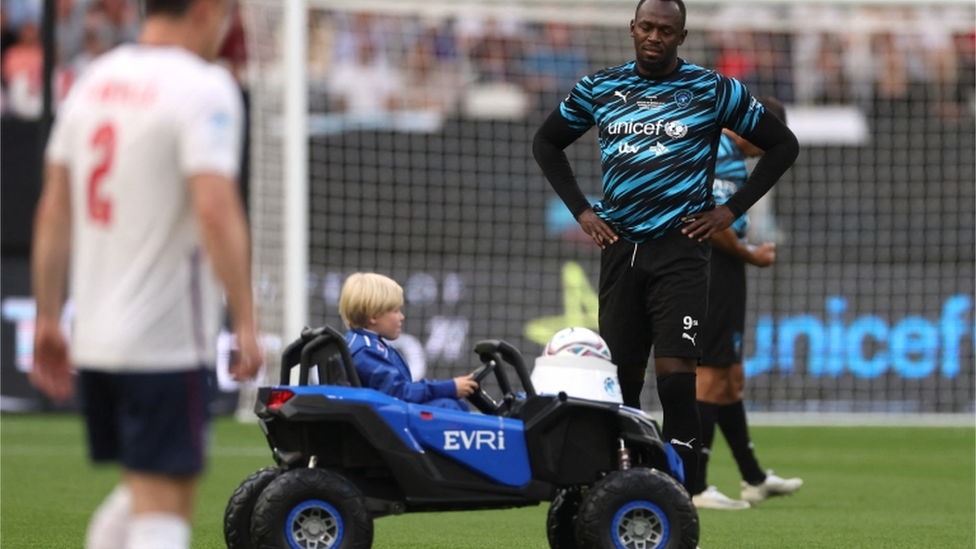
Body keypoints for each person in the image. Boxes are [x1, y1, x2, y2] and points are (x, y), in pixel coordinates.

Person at [532, 0, 799, 497]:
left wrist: (730, 209)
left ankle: (678, 494)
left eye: (666, 30)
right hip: (620, 250)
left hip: (680, 252)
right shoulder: (599, 87)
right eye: (647, 27)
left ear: (682, 36)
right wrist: (582, 211)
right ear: (633, 29)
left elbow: (783, 144)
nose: (655, 36)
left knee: (678, 382)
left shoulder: (713, 89)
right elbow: (547, 142)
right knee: (622, 382)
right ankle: (619, 484)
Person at [30, 2, 262, 549]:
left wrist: (46, 316)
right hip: (165, 338)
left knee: (140, 492)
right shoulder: (202, 87)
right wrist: (247, 319)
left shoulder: (94, 80)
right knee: (164, 505)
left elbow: (53, 210)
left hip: (97, 339)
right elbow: (215, 208)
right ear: (207, 9)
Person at [691, 97, 803, 510]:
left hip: (722, 265)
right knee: (709, 376)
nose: (764, 150)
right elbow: (709, 219)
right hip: (711, 266)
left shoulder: (724, 150)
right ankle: (694, 485)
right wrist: (749, 254)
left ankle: (753, 478)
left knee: (730, 376)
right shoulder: (719, 149)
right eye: (766, 139)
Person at [340, 272, 478, 411]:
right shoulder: (366, 350)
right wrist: (449, 388)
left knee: (452, 403)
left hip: (387, 414)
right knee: (448, 407)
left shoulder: (368, 344)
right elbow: (399, 393)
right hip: (386, 422)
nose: (402, 317)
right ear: (373, 316)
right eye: (395, 311)